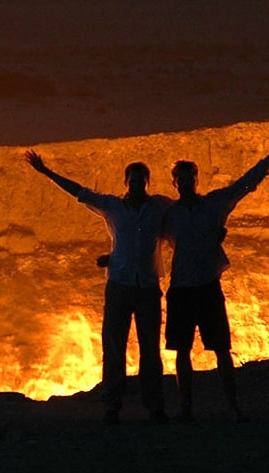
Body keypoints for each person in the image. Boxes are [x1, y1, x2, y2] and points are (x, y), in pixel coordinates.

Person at [24, 150, 172, 425]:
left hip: (147, 286)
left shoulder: (160, 207)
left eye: (141, 180)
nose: (138, 184)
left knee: (150, 349)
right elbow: (80, 193)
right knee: (114, 346)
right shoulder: (113, 206)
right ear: (126, 182)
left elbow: (188, 215)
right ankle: (112, 406)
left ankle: (154, 406)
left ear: (147, 182)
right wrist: (46, 172)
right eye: (133, 180)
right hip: (119, 285)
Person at [163, 124, 269, 423]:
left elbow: (245, 183)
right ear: (174, 183)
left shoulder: (214, 205)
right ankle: (186, 408)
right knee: (182, 351)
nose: (184, 183)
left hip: (207, 287)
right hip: (181, 289)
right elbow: (139, 236)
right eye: (180, 179)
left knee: (221, 349)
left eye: (188, 178)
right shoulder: (168, 214)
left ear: (195, 180)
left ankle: (231, 406)